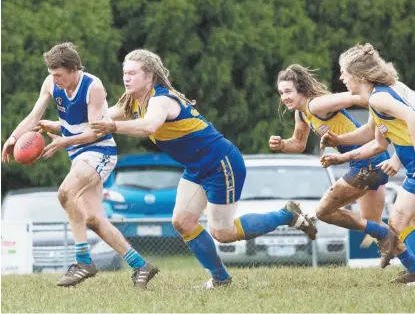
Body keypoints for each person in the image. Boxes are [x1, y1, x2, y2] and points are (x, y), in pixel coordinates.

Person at [90, 49, 317, 289]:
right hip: (197, 167)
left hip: (221, 163)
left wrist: (112, 126)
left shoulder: (161, 99)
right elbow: (96, 119)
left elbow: (148, 126)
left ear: (149, 77)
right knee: (182, 222)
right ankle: (221, 279)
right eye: (125, 72)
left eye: (133, 73)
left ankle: (288, 215)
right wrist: (61, 128)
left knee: (222, 232)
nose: (126, 78)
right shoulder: (131, 103)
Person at [1, 42, 157, 288]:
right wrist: (13, 138)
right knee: (94, 220)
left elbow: (95, 132)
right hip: (78, 152)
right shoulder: (51, 82)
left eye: (59, 75)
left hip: (99, 150)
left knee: (65, 193)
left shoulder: (93, 88)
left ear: (74, 69)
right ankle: (141, 265)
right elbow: (34, 117)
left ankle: (83, 261)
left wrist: (64, 140)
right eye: (52, 74)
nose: (55, 79)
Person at [269, 64, 399, 268]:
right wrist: (283, 144)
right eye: (281, 93)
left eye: (288, 91)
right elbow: (299, 144)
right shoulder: (302, 113)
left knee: (324, 212)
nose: (284, 97)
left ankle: (389, 238)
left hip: (369, 160)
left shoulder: (317, 105)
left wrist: (388, 110)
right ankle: (411, 266)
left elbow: (358, 97)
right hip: (370, 160)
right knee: (372, 222)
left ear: (301, 89)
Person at [320, 43, 415, 284]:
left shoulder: (381, 97)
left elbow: (412, 116)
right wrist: (341, 153)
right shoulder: (375, 100)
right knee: (396, 222)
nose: (341, 77)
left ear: (359, 76)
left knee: (399, 221)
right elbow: (377, 144)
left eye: (344, 72)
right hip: (412, 169)